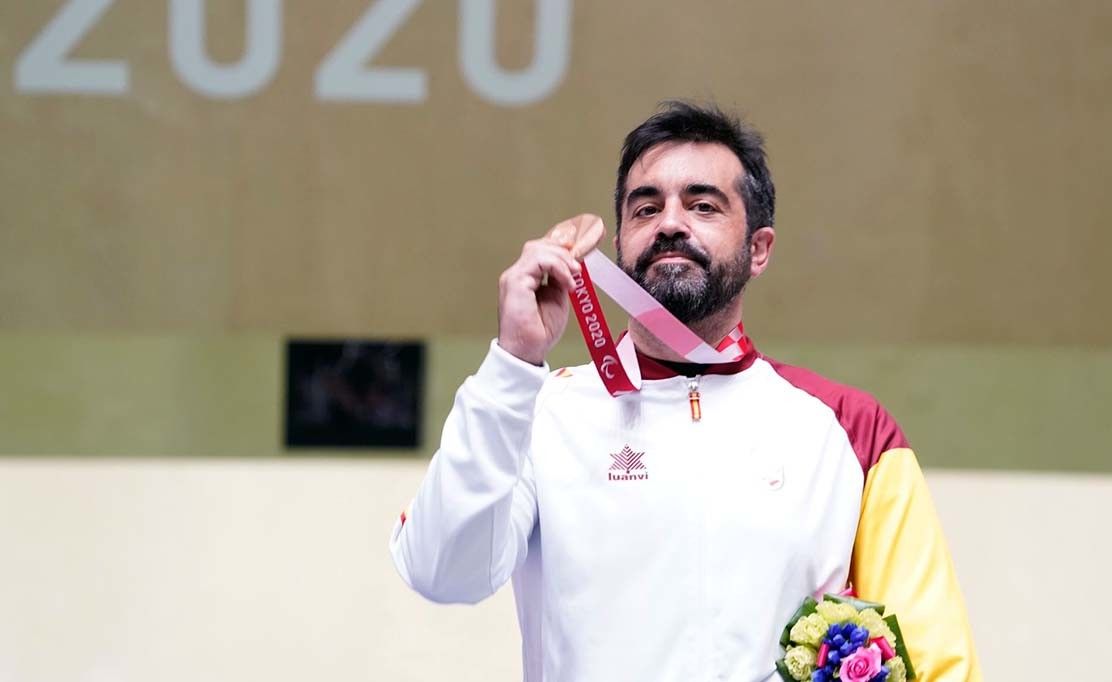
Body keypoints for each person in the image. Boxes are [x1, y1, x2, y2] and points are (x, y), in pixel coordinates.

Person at [390, 101, 981, 681]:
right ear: (619, 244)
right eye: (645, 208)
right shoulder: (540, 411)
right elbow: (442, 571)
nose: (670, 222)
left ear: (759, 249)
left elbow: (935, 665)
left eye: (702, 205)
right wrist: (515, 362)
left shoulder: (852, 430)